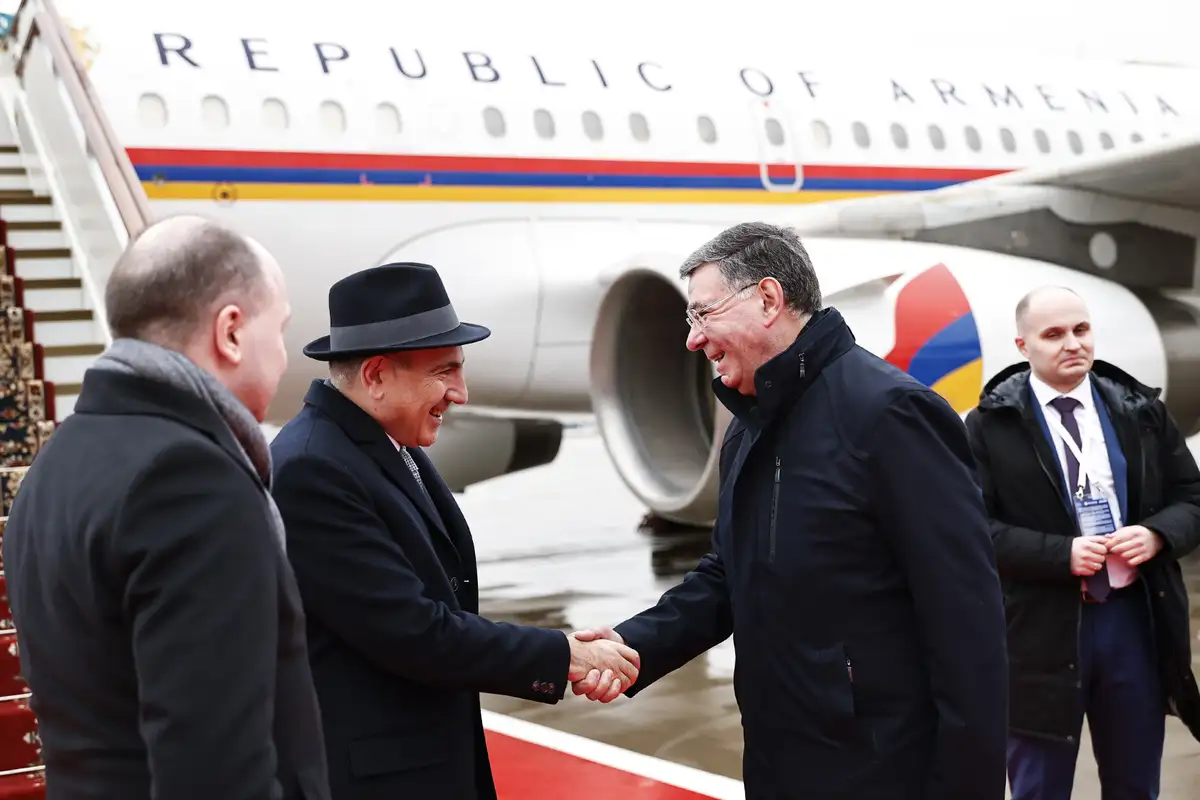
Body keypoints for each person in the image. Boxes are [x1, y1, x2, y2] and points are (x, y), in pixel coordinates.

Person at [572, 221, 1009, 799]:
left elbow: (965, 622)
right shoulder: (748, 426)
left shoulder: (890, 414)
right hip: (781, 764)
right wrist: (633, 647)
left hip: (881, 771)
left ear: (768, 299)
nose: (693, 340)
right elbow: (727, 575)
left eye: (703, 314)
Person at [269, 262, 641, 800]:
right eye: (444, 372)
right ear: (376, 375)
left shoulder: (379, 444)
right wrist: (565, 655)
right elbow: (414, 632)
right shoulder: (313, 468)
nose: (461, 393)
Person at [1, 215, 331, 799]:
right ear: (231, 332)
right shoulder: (193, 482)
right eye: (279, 330)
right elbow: (216, 773)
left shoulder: (56, 463)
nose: (283, 358)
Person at [962, 285, 1200, 799]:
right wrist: (1060, 554)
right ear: (1023, 346)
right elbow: (972, 531)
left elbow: (1192, 497)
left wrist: (1158, 535)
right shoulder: (988, 425)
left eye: (1081, 329)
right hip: (1038, 631)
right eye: (1053, 334)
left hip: (1133, 621)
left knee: (1135, 784)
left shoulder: (1140, 410)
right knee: (1039, 786)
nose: (1072, 343)